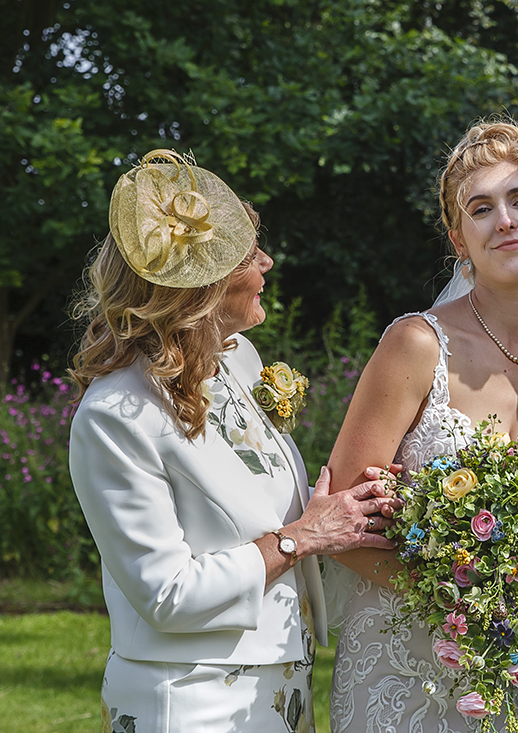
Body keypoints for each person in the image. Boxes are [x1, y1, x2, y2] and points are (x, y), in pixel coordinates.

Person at [68, 149, 401, 733]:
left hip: (281, 683)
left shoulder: (235, 362)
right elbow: (167, 594)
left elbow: (252, 504)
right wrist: (300, 540)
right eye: (250, 255)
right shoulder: (114, 415)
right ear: (201, 289)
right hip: (189, 696)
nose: (268, 262)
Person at [322, 121, 518, 733]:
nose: (505, 221)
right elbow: (342, 524)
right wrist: (466, 611)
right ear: (459, 239)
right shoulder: (415, 345)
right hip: (405, 671)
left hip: (516, 668)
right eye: (481, 209)